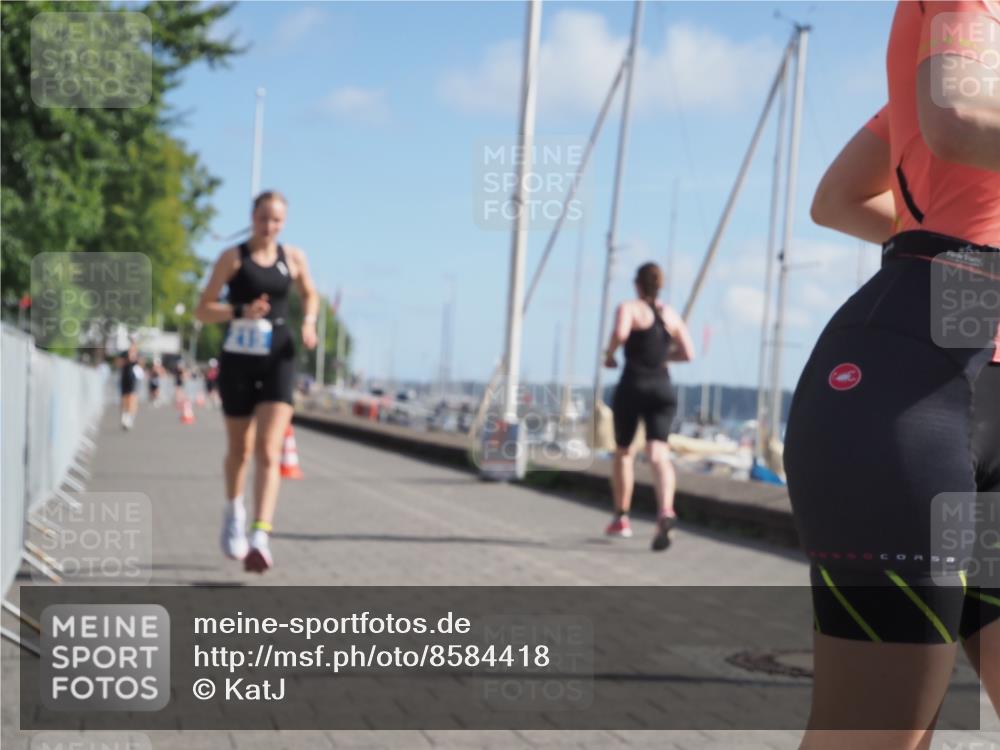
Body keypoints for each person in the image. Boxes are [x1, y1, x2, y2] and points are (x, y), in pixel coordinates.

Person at [784, 2, 1000, 746]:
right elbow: (957, 119)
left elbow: (840, 198)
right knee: (878, 736)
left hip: (975, 375)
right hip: (913, 390)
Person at [195, 190, 319, 573]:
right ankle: (234, 510)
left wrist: (309, 321)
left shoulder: (294, 257)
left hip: (278, 356)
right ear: (252, 217)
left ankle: (260, 534)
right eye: (264, 218)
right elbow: (203, 309)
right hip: (238, 359)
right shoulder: (233, 258)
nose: (270, 226)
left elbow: (310, 294)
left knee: (269, 449)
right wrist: (239, 310)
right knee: (241, 449)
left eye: (277, 220)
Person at [602, 262, 695, 551]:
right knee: (658, 454)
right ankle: (666, 511)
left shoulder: (629, 307)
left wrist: (610, 354)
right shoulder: (671, 314)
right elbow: (688, 353)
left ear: (637, 284)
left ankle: (621, 518)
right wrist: (664, 359)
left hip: (633, 385)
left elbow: (620, 331)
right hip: (663, 389)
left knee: (624, 452)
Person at [118, 343, 144, 430]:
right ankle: (124, 415)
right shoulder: (124, 354)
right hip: (124, 379)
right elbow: (118, 364)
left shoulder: (138, 355)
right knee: (124, 399)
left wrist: (135, 359)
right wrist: (127, 359)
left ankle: (129, 418)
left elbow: (142, 365)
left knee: (132, 398)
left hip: (134, 380)